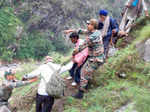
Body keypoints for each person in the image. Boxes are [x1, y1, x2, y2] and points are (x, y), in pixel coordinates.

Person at [65, 19, 104, 99]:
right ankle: (86, 86)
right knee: (85, 72)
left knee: (83, 73)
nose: (87, 25)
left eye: (89, 24)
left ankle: (80, 93)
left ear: (93, 26)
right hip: (94, 57)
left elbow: (82, 46)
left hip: (96, 59)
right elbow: (82, 31)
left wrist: (74, 53)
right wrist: (71, 30)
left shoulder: (93, 36)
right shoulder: (94, 32)